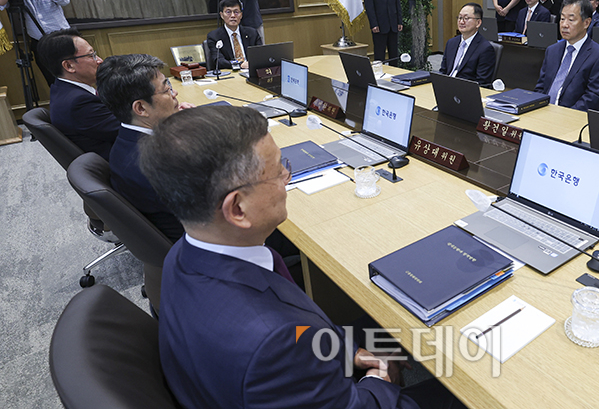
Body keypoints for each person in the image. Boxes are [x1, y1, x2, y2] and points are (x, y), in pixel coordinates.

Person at [137, 106, 467, 408]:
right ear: (237, 209)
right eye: (279, 170)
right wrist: (377, 381)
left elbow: (299, 331)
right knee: (462, 392)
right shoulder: (273, 344)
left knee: (385, 328)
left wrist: (351, 351)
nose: (287, 177)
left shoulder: (182, 253)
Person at [96, 54, 193, 243]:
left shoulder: (127, 140)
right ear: (140, 108)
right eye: (167, 89)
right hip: (203, 243)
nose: (175, 95)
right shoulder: (161, 165)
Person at [36, 29, 119, 159]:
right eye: (91, 55)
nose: (100, 60)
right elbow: (131, 130)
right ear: (69, 66)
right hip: (124, 161)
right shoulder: (78, 103)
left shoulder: (60, 88)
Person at [534, 0, 599, 111]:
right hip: (544, 113)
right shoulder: (552, 50)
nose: (564, 25)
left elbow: (593, 98)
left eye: (571, 19)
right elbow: (541, 87)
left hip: (572, 118)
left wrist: (564, 115)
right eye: (562, 18)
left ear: (586, 23)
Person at [0, 0, 71, 85]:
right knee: (51, 79)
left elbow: (64, 0)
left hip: (62, 38)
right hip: (39, 42)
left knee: (72, 73)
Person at [440, 3, 495, 85]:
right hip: (446, 86)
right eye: (460, 18)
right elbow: (443, 71)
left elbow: (482, 82)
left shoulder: (485, 48)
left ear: (478, 23)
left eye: (466, 18)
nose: (461, 22)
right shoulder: (451, 43)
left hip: (465, 90)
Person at [206, 0, 262, 70]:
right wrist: (239, 65)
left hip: (251, 71)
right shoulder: (214, 36)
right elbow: (219, 61)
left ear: (241, 15)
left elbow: (260, 55)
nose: (233, 16)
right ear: (222, 15)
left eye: (236, 12)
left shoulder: (252, 33)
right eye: (228, 12)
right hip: (230, 73)